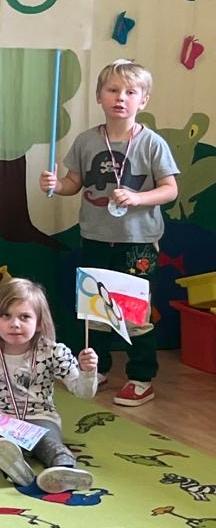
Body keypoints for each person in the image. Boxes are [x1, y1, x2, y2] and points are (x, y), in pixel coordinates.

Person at [41, 58, 179, 407]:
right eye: (113, 90)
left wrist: (137, 197)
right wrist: (56, 185)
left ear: (143, 100)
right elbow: (74, 182)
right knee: (96, 310)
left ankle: (141, 377)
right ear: (99, 96)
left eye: (130, 92)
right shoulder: (87, 140)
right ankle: (97, 369)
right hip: (96, 238)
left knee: (135, 313)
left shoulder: (152, 143)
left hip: (138, 244)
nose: (121, 97)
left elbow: (170, 189)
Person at [0, 278, 98, 492]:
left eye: (24, 317)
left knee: (48, 442)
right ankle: (15, 463)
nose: (15, 324)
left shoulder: (52, 351)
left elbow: (83, 393)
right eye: (6, 315)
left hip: (40, 418)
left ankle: (65, 467)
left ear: (40, 323)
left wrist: (88, 372)